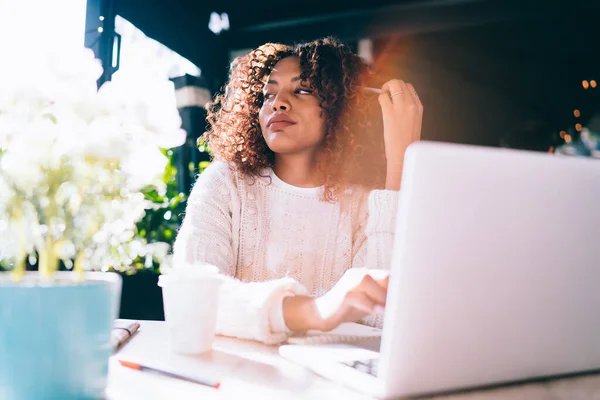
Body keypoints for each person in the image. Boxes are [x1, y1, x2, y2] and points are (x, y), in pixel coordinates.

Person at [172, 37, 423, 344]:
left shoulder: (365, 202)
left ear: (339, 108)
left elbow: (383, 315)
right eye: (268, 94)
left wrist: (401, 159)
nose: (278, 101)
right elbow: (191, 296)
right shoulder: (226, 183)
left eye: (302, 89)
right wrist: (316, 310)